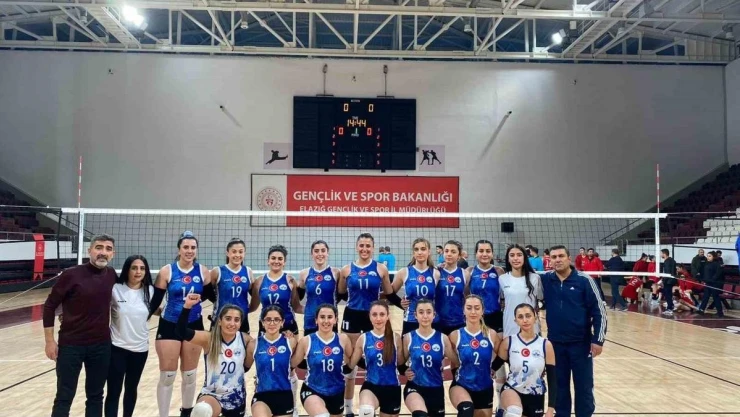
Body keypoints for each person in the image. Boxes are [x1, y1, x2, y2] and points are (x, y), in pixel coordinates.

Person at [43, 234, 117, 417]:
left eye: (108, 249)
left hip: (100, 346)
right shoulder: (71, 274)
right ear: (89, 250)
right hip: (71, 345)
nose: (103, 252)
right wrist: (49, 341)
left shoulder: (112, 275)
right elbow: (50, 306)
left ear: (113, 254)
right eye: (99, 247)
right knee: (64, 396)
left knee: (96, 396)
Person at [149, 231, 212, 417]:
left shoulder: (203, 271)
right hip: (169, 323)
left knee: (190, 374)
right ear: (179, 249)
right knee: (167, 376)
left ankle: (186, 412)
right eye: (186, 247)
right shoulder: (167, 271)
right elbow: (155, 301)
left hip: (193, 323)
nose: (189, 251)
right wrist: (147, 316)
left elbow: (211, 296)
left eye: (193, 247)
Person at [541, 245, 606, 417]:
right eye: (554, 257)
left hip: (581, 344)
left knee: (584, 386)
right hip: (555, 344)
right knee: (559, 387)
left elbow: (599, 311)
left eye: (561, 256)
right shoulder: (546, 280)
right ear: (550, 261)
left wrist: (598, 340)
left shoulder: (584, 280)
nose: (557, 260)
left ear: (569, 258)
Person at [338, 233, 393, 417]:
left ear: (373, 248)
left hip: (373, 316)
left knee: (374, 358)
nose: (364, 249)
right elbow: (341, 293)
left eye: (368, 246)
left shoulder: (381, 269)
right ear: (356, 247)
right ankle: (348, 409)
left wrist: (404, 305)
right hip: (352, 315)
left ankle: (372, 402)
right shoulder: (346, 270)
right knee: (351, 363)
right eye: (361, 245)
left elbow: (389, 293)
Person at [175, 294, 253, 417]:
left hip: (236, 397)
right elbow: (181, 332)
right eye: (228, 318)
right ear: (220, 321)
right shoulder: (209, 338)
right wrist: (187, 306)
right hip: (212, 394)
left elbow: (247, 367)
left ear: (240, 323)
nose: (232, 323)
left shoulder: (246, 339)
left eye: (236, 320)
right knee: (202, 410)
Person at [105, 255, 154, 417]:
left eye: (142, 268)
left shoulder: (151, 291)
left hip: (140, 350)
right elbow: (96, 306)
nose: (138, 272)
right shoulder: (115, 289)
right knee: (114, 390)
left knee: (131, 389)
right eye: (134, 268)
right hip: (117, 347)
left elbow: (162, 310)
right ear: (127, 270)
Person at [291, 304, 353, 417]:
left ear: (335, 320)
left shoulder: (343, 339)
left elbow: (352, 362)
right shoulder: (306, 341)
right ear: (316, 320)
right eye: (322, 317)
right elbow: (291, 364)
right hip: (312, 389)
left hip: (337, 392)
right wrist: (290, 343)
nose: (326, 321)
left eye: (330, 317)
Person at [400, 299, 460, 417]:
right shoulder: (408, 337)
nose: (425, 316)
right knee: (420, 414)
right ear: (415, 315)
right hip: (415, 387)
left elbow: (457, 361)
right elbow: (400, 363)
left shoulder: (442, 338)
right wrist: (404, 370)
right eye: (421, 312)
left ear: (434, 315)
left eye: (428, 312)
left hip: (436, 389)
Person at [497, 303, 557, 417]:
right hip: (513, 389)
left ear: (535, 317)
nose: (525, 320)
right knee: (514, 412)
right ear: (515, 321)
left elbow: (552, 378)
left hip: (535, 394)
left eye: (528, 316)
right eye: (520, 317)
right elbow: (494, 366)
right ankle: (502, 410)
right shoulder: (509, 342)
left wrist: (550, 408)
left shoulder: (545, 345)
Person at [347, 300, 403, 417]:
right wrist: (342, 351)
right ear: (369, 316)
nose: (378, 318)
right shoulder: (363, 338)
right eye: (374, 314)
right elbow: (350, 366)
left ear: (388, 316)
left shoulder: (396, 338)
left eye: (382, 314)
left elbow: (401, 365)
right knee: (365, 411)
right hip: (371, 387)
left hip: (392, 389)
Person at [449, 295, 501, 417]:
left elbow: (503, 355)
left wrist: (494, 368)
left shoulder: (491, 334)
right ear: (463, 310)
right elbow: (449, 359)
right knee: (466, 410)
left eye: (477, 308)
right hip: (462, 385)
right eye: (469, 308)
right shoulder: (455, 335)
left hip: (484, 388)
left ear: (482, 311)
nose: (473, 312)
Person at [250, 305, 299, 417]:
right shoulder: (254, 344)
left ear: (282, 322)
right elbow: (245, 367)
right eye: (268, 319)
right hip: (262, 395)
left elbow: (293, 366)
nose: (272, 323)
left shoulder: (291, 342)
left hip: (284, 395)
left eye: (276, 319)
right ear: (262, 322)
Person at [390, 238, 440, 334]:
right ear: (413, 253)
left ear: (429, 252)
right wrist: (399, 303)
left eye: (423, 249)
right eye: (416, 249)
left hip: (431, 321)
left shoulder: (436, 273)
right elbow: (390, 294)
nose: (419, 252)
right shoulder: (404, 272)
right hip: (410, 320)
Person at [251, 245, 303, 335]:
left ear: (284, 262)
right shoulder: (259, 281)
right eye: (273, 258)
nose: (276, 261)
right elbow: (253, 307)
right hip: (266, 325)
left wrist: (316, 309)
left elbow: (297, 307)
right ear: (268, 261)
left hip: (288, 326)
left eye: (280, 259)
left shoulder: (290, 281)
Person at [209, 238, 253, 334]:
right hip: (221, 319)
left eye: (240, 252)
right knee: (216, 344)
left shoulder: (248, 271)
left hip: (241, 319)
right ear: (227, 253)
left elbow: (254, 294)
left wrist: (250, 308)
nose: (237, 255)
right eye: (234, 251)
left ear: (244, 253)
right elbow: (208, 293)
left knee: (243, 343)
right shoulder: (217, 271)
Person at [297, 240, 341, 335]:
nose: (320, 254)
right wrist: (306, 309)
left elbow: (341, 295)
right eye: (316, 251)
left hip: (329, 320)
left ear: (327, 253)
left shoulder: (336, 273)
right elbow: (298, 297)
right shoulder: (304, 273)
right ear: (312, 254)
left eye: (323, 251)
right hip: (310, 319)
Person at [499, 244, 542, 337]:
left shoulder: (535, 278)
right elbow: (502, 302)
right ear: (508, 259)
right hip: (510, 327)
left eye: (519, 255)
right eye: (512, 255)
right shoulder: (502, 279)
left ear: (524, 258)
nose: (515, 258)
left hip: (531, 328)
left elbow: (539, 303)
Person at [467, 240, 505, 335]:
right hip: (475, 316)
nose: (484, 254)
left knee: (496, 343)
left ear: (492, 254)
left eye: (488, 251)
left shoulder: (498, 271)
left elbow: (504, 294)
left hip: (495, 316)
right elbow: (465, 294)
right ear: (476, 253)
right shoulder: (470, 271)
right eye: (481, 251)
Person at [435, 240, 470, 335]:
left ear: (459, 256)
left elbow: (467, 297)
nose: (449, 254)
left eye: (453, 252)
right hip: (438, 322)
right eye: (446, 251)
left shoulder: (465, 274)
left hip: (458, 321)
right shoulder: (436, 272)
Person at [696, 251, 725, 318]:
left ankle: (720, 313)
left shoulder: (717, 264)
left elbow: (717, 274)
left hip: (714, 284)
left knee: (716, 297)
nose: (708, 257)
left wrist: (712, 280)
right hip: (707, 283)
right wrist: (704, 280)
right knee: (705, 297)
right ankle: (701, 310)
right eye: (707, 256)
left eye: (710, 256)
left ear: (713, 257)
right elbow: (705, 273)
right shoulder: (706, 264)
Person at [660, 249, 677, 316]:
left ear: (664, 254)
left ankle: (669, 308)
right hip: (672, 280)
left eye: (661, 253)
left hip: (668, 280)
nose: (660, 255)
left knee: (668, 295)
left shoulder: (667, 261)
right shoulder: (672, 260)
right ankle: (671, 306)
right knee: (669, 294)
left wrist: (663, 281)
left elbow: (667, 273)